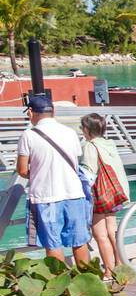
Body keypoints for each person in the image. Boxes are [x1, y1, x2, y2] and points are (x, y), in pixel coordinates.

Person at [15, 94, 92, 265]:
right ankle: (86, 280)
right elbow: (76, 158)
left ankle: (60, 288)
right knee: (79, 241)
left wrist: (37, 173)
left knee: (52, 244)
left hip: (46, 197)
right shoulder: (70, 133)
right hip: (74, 194)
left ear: (30, 112)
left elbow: (21, 169)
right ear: (53, 111)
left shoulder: (28, 135)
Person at [80, 113, 130, 272]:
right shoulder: (110, 144)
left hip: (100, 195)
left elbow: (88, 173)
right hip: (114, 193)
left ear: (87, 129)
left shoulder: (90, 146)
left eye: (82, 128)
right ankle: (120, 265)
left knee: (100, 234)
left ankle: (109, 271)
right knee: (111, 231)